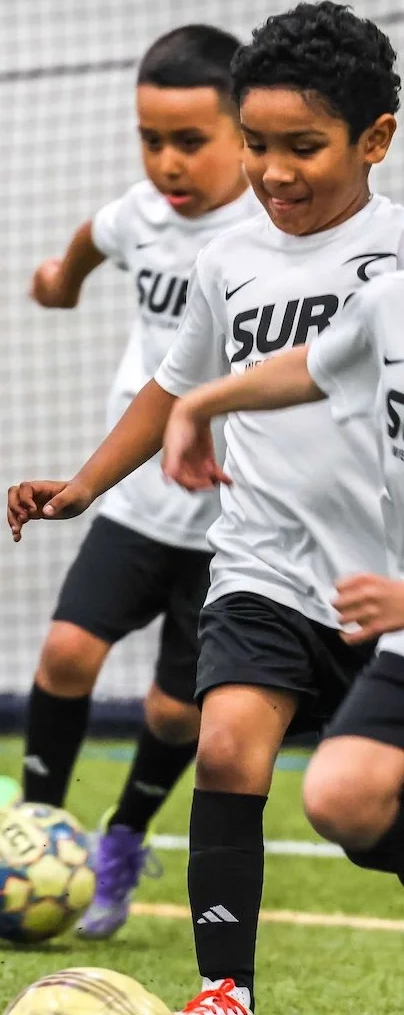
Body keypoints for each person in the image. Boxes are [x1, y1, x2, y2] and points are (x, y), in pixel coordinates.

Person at [7, 1, 404, 1014]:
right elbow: (171, 389)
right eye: (259, 145)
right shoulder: (227, 263)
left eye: (302, 148)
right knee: (226, 743)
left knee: (354, 810)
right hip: (263, 565)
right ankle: (226, 990)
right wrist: (87, 483)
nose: (272, 172)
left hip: (382, 582)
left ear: (376, 141)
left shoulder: (398, 258)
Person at [18, 25, 260, 938]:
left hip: (231, 516)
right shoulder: (142, 215)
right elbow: (94, 236)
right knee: (68, 654)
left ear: (247, 133)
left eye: (189, 141)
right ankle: (38, 829)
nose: (167, 160)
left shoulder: (264, 234)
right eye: (150, 139)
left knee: (172, 709)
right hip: (137, 492)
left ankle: (120, 840)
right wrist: (61, 279)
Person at [163, 264, 404, 884]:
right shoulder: (387, 301)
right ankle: (227, 986)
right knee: (342, 795)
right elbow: (314, 367)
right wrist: (200, 403)